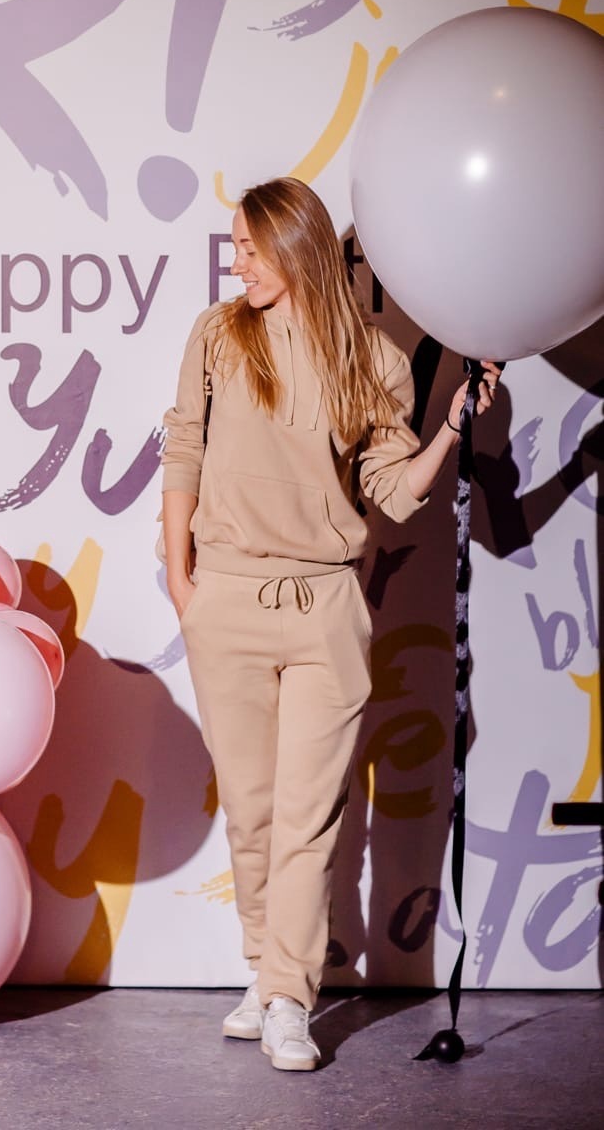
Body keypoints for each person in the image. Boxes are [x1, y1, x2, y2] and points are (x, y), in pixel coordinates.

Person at [160, 177, 499, 1072]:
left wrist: (448, 426)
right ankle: (264, 970)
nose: (236, 264)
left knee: (309, 818)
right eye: (234, 247)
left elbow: (392, 490)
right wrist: (181, 580)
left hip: (324, 611)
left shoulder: (372, 360)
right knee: (252, 814)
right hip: (227, 600)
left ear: (294, 247)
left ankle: (286, 998)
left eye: (249, 248)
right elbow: (183, 446)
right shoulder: (217, 334)